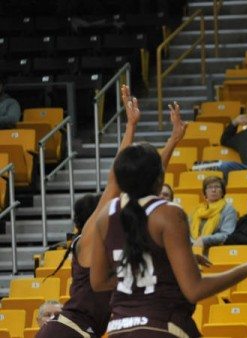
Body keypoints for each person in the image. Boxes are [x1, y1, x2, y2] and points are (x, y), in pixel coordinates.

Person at [90, 142, 247, 337]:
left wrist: (160, 266)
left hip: (118, 328)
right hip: (161, 326)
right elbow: (194, 290)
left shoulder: (105, 215)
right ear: (160, 178)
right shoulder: (168, 213)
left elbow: (98, 282)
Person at [37, 85, 186, 338]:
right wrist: (130, 127)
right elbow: (117, 181)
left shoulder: (117, 246)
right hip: (66, 332)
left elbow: (148, 180)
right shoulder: (89, 239)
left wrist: (173, 140)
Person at [190, 176, 237, 254]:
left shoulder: (228, 209)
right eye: (209, 187)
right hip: (193, 248)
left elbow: (226, 234)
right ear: (205, 192)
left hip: (215, 251)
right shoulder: (197, 210)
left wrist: (204, 240)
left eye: (217, 187)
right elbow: (187, 231)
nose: (213, 190)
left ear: (222, 192)